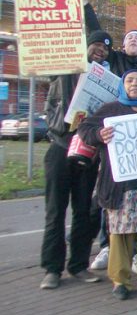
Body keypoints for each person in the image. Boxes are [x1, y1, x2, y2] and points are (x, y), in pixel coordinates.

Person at [78, 70, 137, 300]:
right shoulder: (110, 109)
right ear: (122, 85)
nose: (135, 84)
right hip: (120, 186)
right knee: (120, 235)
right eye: (130, 80)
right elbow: (85, 130)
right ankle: (121, 281)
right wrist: (99, 134)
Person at [38, 29, 112, 289]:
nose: (100, 51)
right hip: (60, 147)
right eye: (95, 46)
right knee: (55, 210)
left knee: (84, 211)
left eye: (105, 50)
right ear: (84, 46)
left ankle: (79, 265)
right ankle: (52, 269)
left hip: (87, 150)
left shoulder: (105, 82)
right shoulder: (65, 69)